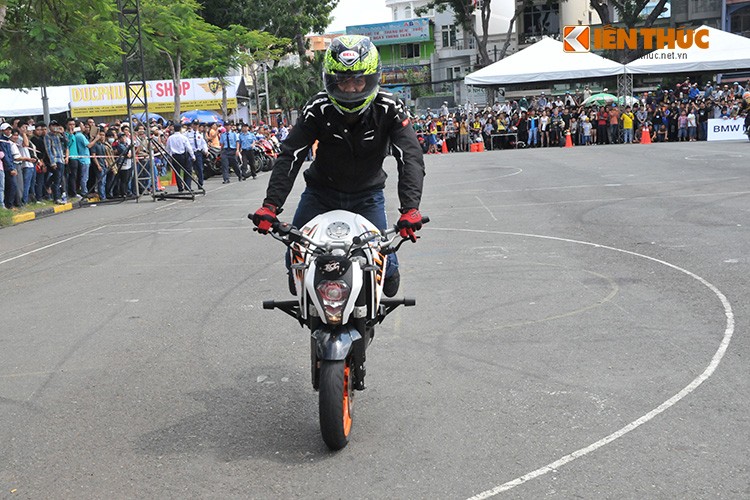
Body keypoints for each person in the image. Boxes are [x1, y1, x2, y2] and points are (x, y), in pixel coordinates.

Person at [251, 35, 425, 297]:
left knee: (386, 272)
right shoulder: (317, 107)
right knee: (293, 261)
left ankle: (387, 275)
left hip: (368, 196)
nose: (352, 89)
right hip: (321, 194)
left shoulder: (390, 107)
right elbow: (290, 155)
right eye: (343, 80)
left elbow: (410, 156)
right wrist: (270, 206)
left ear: (372, 78)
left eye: (358, 80)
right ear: (331, 80)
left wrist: (410, 208)